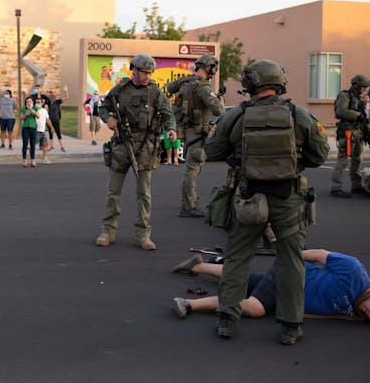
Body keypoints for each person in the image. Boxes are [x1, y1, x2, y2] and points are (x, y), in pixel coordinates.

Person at [204, 59, 329, 344]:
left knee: (237, 257)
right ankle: (291, 325)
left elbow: (212, 149)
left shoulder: (235, 116)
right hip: (289, 198)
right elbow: (319, 155)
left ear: (250, 84)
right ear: (279, 82)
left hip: (248, 196)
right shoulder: (299, 114)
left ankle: (227, 319)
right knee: (291, 260)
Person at [170, 249, 370, 327]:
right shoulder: (354, 272)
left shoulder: (360, 311)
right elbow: (320, 254)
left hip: (285, 297)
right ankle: (189, 304)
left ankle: (198, 266)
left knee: (247, 280)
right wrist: (290, 256)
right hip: (290, 274)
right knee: (255, 308)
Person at [94, 54, 177, 251]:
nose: (146, 76)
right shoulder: (120, 89)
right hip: (122, 143)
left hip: (146, 147)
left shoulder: (155, 92)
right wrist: (109, 120)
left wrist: (171, 129)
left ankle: (143, 234)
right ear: (134, 70)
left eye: (149, 73)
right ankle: (108, 230)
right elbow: (104, 107)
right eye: (143, 72)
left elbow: (167, 113)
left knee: (144, 193)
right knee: (113, 191)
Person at [166, 54, 225, 218]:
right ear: (210, 69)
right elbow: (219, 111)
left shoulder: (185, 81)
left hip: (187, 131)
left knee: (191, 170)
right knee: (192, 170)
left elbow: (170, 87)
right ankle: (188, 206)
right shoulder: (204, 88)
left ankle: (190, 199)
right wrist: (219, 98)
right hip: (198, 133)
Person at [330, 74, 370, 198]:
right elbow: (340, 111)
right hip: (348, 133)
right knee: (344, 160)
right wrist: (357, 114)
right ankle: (336, 188)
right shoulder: (345, 95)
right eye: (363, 87)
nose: (365, 90)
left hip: (357, 133)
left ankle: (357, 186)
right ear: (356, 85)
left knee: (357, 160)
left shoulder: (358, 98)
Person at [35, 96, 56, 165]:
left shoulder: (44, 111)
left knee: (46, 144)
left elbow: (47, 119)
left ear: (42, 103)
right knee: (33, 145)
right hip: (35, 131)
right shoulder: (33, 110)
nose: (37, 103)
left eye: (39, 102)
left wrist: (52, 127)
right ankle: (32, 159)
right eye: (36, 102)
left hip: (43, 131)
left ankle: (44, 158)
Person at [47, 86, 68, 152]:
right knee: (50, 133)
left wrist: (66, 91)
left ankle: (62, 147)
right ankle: (51, 146)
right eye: (51, 92)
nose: (52, 93)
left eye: (53, 92)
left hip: (56, 120)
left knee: (58, 133)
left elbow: (66, 98)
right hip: (50, 120)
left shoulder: (57, 101)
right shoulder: (48, 102)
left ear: (55, 93)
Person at [19, 97, 39, 167]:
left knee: (32, 145)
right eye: (27, 101)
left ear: (32, 102)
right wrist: (26, 114)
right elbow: (21, 118)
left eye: (30, 101)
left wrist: (33, 112)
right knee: (25, 144)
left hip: (33, 128)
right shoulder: (23, 109)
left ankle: (32, 160)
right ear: (26, 102)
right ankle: (24, 160)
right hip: (25, 128)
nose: (29, 103)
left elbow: (38, 116)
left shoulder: (35, 108)